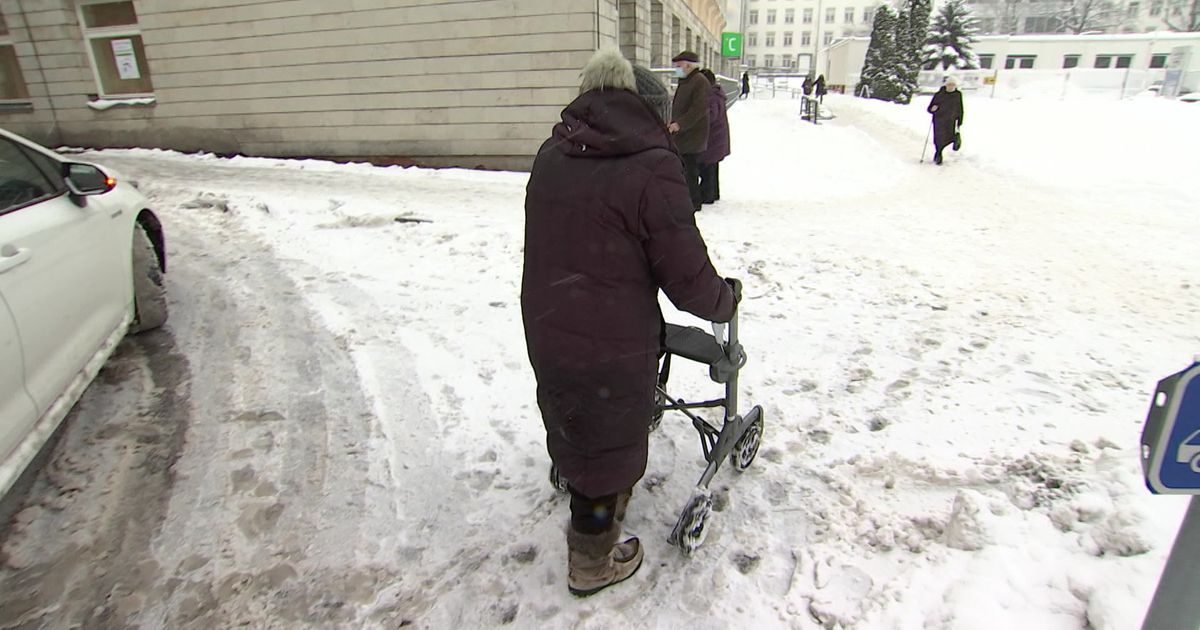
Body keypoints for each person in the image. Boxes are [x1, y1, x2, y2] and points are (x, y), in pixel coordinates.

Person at [522, 48, 737, 597]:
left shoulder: (553, 152)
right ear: (644, 109)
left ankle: (590, 489)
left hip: (549, 317)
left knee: (576, 414)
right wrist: (724, 301)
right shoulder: (651, 167)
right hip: (611, 333)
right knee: (604, 448)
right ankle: (592, 560)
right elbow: (685, 273)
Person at [668, 50, 710, 213]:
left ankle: (693, 202)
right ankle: (688, 200)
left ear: (688, 65)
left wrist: (680, 124)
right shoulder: (686, 81)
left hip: (692, 135)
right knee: (686, 169)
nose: (677, 69)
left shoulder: (699, 82)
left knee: (690, 171)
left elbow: (698, 109)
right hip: (684, 134)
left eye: (679, 66)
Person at [698, 69, 730, 205]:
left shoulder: (710, 95)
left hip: (712, 139)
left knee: (707, 168)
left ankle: (708, 196)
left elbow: (711, 116)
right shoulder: (716, 93)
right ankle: (713, 193)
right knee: (711, 168)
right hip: (716, 138)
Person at [926, 76, 964, 165]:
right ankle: (938, 154)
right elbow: (929, 108)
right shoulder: (939, 95)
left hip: (950, 121)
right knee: (938, 139)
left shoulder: (957, 95)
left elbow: (960, 108)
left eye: (953, 85)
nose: (951, 86)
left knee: (949, 137)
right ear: (946, 85)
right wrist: (933, 109)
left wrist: (960, 120)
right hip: (939, 121)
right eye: (949, 84)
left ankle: (955, 142)